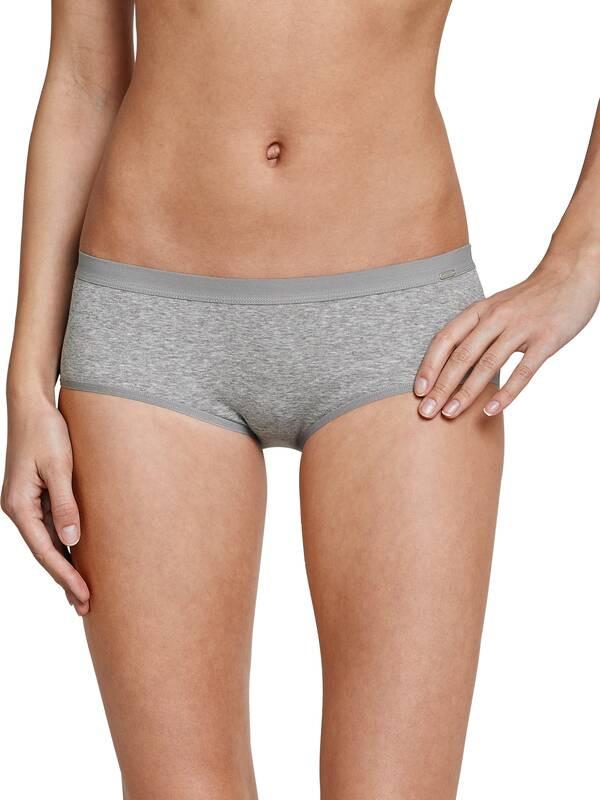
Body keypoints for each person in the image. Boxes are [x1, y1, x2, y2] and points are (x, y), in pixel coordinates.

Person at [2, 2, 598, 799]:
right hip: (150, 321)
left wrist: (579, 265)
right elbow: (83, 77)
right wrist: (26, 386)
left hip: (405, 335)